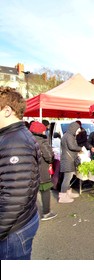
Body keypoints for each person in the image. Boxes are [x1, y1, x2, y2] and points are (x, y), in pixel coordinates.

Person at [0, 86, 40, 260]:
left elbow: (15, 196)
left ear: (7, 110)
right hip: (18, 223)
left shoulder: (15, 141)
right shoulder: (14, 136)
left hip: (13, 230)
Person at [29, 121, 57, 221]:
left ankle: (29, 215)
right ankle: (46, 212)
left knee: (31, 193)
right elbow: (49, 157)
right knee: (45, 191)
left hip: (30, 171)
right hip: (42, 171)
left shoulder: (27, 140)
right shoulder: (41, 141)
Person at [59, 121, 82, 203]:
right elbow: (72, 146)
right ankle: (63, 196)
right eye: (77, 129)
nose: (78, 131)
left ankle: (68, 193)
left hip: (68, 159)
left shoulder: (67, 135)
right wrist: (80, 148)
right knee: (67, 178)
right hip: (68, 160)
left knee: (69, 177)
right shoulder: (69, 136)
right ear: (73, 128)